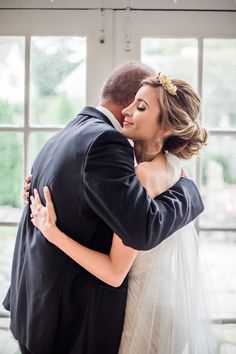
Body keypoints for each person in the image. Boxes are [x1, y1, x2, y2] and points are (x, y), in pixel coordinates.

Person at [3, 63, 204, 354]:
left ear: (165, 126)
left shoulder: (67, 134)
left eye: (142, 107)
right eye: (134, 104)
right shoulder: (108, 143)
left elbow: (139, 230)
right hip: (67, 317)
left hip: (48, 311)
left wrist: (193, 194)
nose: (128, 113)